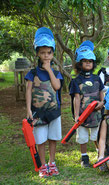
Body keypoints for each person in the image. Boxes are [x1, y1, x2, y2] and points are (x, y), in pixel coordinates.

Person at [25, 27, 63, 178]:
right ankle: (42, 165)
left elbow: (57, 86)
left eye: (49, 53)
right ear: (37, 54)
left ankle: (52, 163)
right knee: (40, 140)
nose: (46, 56)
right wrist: (28, 109)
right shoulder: (32, 73)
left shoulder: (56, 73)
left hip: (53, 112)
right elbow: (28, 91)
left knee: (53, 138)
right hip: (37, 113)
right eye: (42, 53)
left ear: (53, 53)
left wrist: (48, 70)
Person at [69, 40, 104, 167]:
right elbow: (76, 98)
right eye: (85, 61)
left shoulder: (96, 78)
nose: (88, 63)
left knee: (96, 135)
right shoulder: (76, 80)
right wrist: (77, 116)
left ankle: (100, 154)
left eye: (90, 61)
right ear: (80, 63)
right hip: (83, 114)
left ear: (93, 63)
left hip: (96, 113)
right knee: (83, 136)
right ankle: (84, 157)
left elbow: (101, 91)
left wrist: (102, 103)